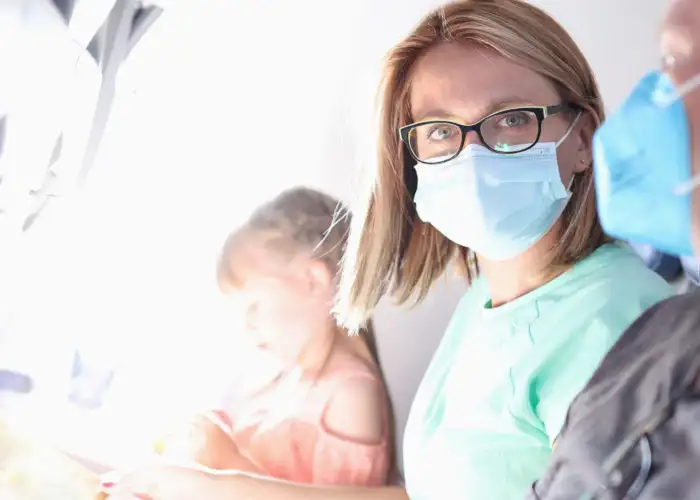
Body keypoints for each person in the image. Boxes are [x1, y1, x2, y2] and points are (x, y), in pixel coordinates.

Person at [105, 1, 673, 499]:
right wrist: (221, 488)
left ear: (581, 140)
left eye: (513, 120)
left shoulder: (619, 322)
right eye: (441, 131)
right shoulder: (489, 297)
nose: (474, 156)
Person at [104, 187, 394, 496]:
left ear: (313, 281)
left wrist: (226, 458)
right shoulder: (283, 375)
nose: (246, 325)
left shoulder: (351, 396)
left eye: (253, 306)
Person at [526, 0, 700, 498]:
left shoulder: (617, 308)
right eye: (666, 60)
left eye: (675, 62)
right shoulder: (663, 330)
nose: (654, 98)